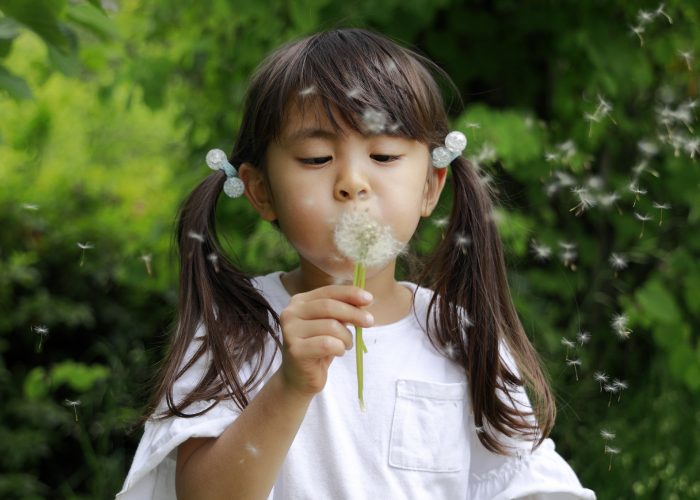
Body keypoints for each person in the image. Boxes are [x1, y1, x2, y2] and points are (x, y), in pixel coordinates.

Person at [116, 28, 596, 500]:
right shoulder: (236, 329)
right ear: (261, 190)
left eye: (384, 155)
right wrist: (289, 385)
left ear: (431, 185)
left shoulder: (459, 334)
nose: (352, 181)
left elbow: (528, 486)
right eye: (316, 157)